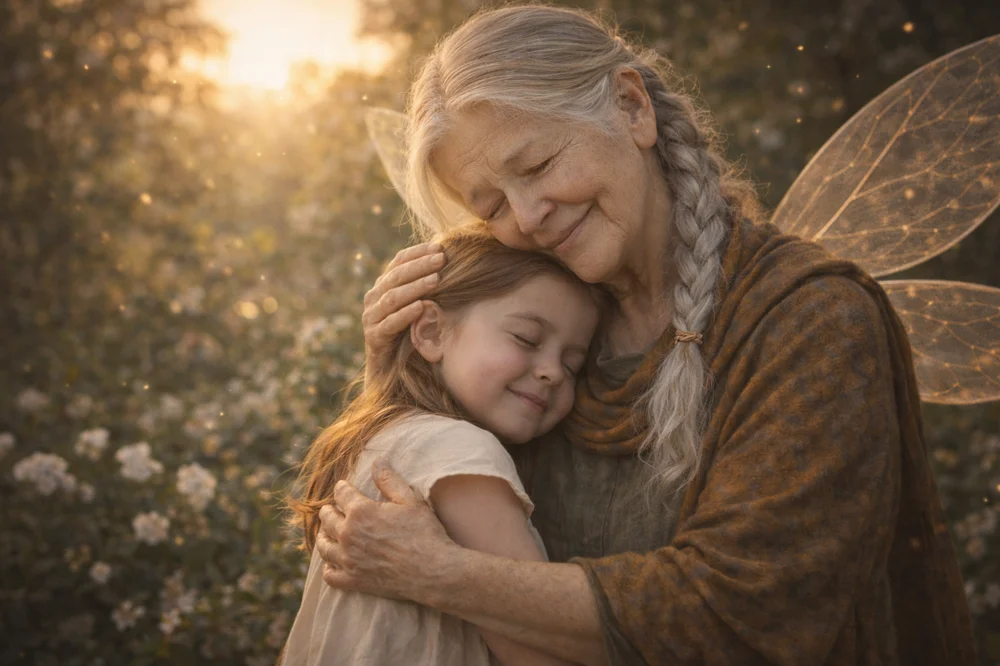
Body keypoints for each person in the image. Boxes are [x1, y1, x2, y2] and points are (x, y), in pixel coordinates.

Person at [314, 6, 977, 666]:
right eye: (489, 205)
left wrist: (442, 574)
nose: (528, 215)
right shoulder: (541, 326)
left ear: (632, 108)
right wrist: (400, 374)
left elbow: (742, 616)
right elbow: (398, 515)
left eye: (539, 165)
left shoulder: (810, 319)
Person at [281, 230, 601, 666]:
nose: (553, 373)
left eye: (572, 364)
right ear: (431, 331)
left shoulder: (381, 439)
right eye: (526, 338)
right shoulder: (459, 452)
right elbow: (539, 650)